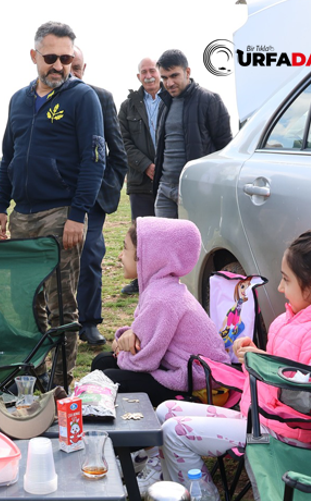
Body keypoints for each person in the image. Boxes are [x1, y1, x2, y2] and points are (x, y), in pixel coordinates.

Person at [152, 227, 311, 495]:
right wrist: (255, 358)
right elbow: (284, 371)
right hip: (259, 418)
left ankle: (201, 496)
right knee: (165, 410)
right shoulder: (294, 319)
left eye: (286, 280)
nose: (280, 288)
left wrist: (264, 365)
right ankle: (170, 490)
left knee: (175, 431)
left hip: (283, 436)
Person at [0, 21, 105, 389]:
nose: (58, 65)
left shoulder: (82, 97)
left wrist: (77, 215)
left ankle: (60, 384)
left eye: (66, 59)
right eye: (51, 57)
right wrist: (0, 206)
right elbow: (9, 158)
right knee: (24, 301)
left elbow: (94, 159)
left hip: (60, 215)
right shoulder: (18, 100)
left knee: (61, 306)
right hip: (21, 216)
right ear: (34, 56)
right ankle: (37, 370)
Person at [89, 217, 229, 406]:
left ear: (145, 255)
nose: (120, 256)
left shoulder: (161, 298)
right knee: (102, 362)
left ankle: (112, 420)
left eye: (125, 248)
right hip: (184, 370)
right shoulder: (161, 288)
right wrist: (127, 338)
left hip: (202, 384)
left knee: (108, 379)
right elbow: (142, 336)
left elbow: (142, 362)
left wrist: (121, 347)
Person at [69, 46, 127, 346]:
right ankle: (60, 323)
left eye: (76, 67)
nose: (72, 73)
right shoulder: (44, 99)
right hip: (56, 197)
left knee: (90, 256)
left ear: (84, 68)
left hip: (92, 198)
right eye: (67, 66)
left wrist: (107, 191)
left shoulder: (101, 98)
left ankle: (89, 322)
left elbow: (118, 153)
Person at [153, 49, 232, 219]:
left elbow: (225, 148)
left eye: (174, 75)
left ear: (187, 72)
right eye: (164, 78)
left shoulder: (209, 100)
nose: (169, 83)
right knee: (163, 237)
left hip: (196, 190)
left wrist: (210, 186)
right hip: (165, 188)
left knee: (196, 237)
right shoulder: (164, 104)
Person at [118, 57, 163, 295]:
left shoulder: (172, 99)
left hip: (168, 178)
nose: (148, 75)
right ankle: (140, 281)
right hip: (140, 180)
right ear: (138, 77)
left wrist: (164, 167)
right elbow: (123, 142)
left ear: (159, 72)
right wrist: (146, 166)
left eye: (152, 70)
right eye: (143, 72)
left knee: (166, 231)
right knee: (141, 234)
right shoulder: (128, 106)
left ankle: (165, 278)